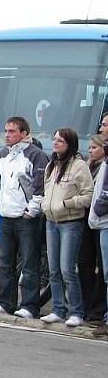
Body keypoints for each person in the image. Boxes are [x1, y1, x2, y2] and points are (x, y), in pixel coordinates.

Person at [0, 116, 49, 319]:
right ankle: (6, 302)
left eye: (12, 131)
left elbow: (40, 185)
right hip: (6, 214)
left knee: (29, 264)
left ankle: (30, 305)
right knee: (5, 262)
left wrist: (32, 210)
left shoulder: (36, 155)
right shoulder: (3, 154)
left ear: (24, 133)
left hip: (26, 218)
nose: (7, 135)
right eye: (5, 131)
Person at [40, 128, 93, 327]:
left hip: (70, 222)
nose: (55, 143)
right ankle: (58, 309)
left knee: (67, 269)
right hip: (51, 221)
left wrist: (67, 204)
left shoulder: (79, 166)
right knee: (53, 269)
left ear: (69, 143)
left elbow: (88, 195)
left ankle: (77, 311)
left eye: (60, 140)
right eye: (54, 139)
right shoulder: (51, 165)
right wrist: (46, 206)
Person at [79, 134, 107, 326]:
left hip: (100, 219)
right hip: (88, 220)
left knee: (102, 267)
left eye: (94, 148)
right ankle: (88, 306)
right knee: (84, 263)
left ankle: (98, 309)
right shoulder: (89, 166)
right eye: (89, 147)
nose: (91, 151)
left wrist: (97, 209)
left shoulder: (104, 166)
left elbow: (102, 193)